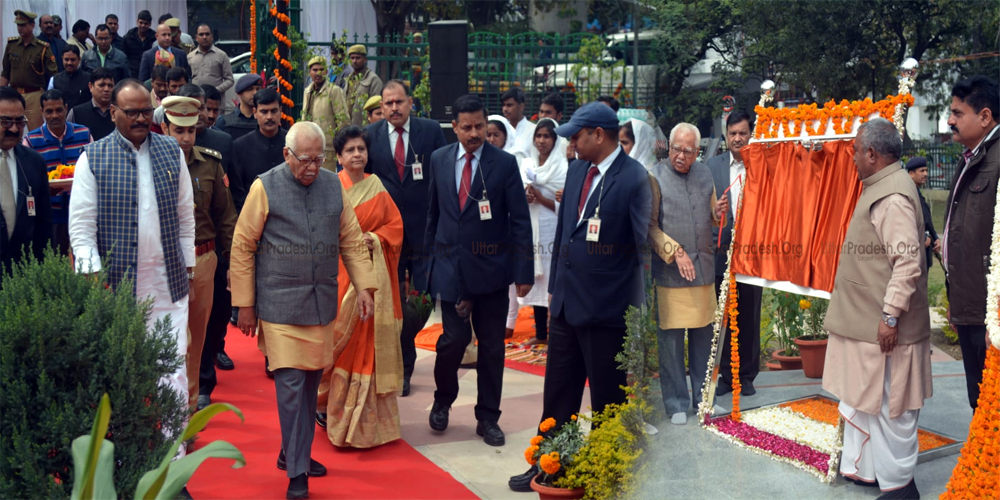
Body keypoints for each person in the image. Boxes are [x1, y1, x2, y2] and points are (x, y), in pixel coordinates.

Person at [508, 102, 651, 492]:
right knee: (558, 391)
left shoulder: (634, 178)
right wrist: (554, 290)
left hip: (607, 310)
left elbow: (642, 253)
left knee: (607, 399)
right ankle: (548, 464)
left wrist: (636, 315)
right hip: (568, 304)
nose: (570, 141)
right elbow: (565, 237)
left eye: (577, 134)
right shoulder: (576, 171)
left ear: (599, 135)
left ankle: (609, 472)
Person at [231, 121, 377, 500]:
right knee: (292, 388)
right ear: (286, 155)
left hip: (320, 303)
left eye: (318, 159)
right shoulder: (265, 186)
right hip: (279, 305)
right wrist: (244, 304)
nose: (312, 167)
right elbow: (243, 245)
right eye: (304, 160)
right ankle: (297, 473)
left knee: (311, 384)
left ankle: (292, 451)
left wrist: (365, 287)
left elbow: (351, 239)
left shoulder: (333, 186)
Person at [68, 80, 196, 477]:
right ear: (114, 113)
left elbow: (186, 216)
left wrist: (188, 264)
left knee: (173, 372)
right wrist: (91, 281)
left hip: (168, 284)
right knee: (120, 372)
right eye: (132, 112)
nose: (141, 118)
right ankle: (123, 466)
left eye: (146, 111)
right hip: (116, 288)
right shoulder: (93, 157)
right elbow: (82, 229)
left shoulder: (171, 151)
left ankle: (172, 468)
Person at [823, 118, 931, 499]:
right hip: (869, 323)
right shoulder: (883, 186)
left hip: (886, 329)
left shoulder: (893, 196)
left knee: (891, 408)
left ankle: (900, 489)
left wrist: (889, 316)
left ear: (871, 154)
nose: (851, 158)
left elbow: (907, 263)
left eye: (854, 151)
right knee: (874, 402)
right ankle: (874, 474)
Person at [423, 94, 533, 446]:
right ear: (453, 127)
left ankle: (488, 417)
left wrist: (524, 272)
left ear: (487, 125)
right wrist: (426, 267)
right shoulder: (439, 159)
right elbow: (433, 215)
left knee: (491, 349)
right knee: (453, 341)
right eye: (467, 127)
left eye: (480, 126)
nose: (474, 134)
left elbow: (519, 220)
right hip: (450, 269)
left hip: (492, 270)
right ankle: (443, 399)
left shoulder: (503, 164)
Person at [316, 125, 404, 447]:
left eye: (361, 149)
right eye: (350, 150)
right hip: (338, 276)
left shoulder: (377, 186)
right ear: (338, 157)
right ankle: (328, 406)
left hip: (371, 275)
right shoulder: (330, 186)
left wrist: (376, 239)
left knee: (366, 342)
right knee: (338, 340)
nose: (357, 155)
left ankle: (363, 423)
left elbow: (395, 227)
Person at [365, 79, 446, 396]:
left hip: (425, 232)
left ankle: (407, 340)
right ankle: (402, 366)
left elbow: (443, 175)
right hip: (387, 235)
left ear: (410, 102)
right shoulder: (370, 137)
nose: (394, 108)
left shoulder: (430, 131)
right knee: (392, 301)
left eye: (399, 102)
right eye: (388, 103)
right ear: (381, 107)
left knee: (423, 298)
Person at [160, 95, 237, 412]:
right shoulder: (152, 163)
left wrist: (234, 264)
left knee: (198, 335)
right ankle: (163, 405)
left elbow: (226, 217)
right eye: (179, 130)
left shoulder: (211, 164)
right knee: (166, 336)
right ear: (165, 128)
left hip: (203, 259)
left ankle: (188, 408)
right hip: (164, 262)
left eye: (191, 130)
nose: (186, 138)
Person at [651, 123, 727, 425]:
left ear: (697, 152)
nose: (680, 156)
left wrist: (717, 213)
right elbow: (650, 227)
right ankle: (676, 402)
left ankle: (704, 400)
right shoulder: (654, 177)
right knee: (670, 343)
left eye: (687, 151)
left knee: (704, 338)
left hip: (703, 269)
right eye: (676, 149)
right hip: (671, 272)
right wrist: (675, 252)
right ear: (668, 147)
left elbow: (710, 213)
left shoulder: (705, 173)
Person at [942, 75, 999, 412]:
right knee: (978, 396)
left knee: (989, 400)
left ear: (985, 116)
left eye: (957, 113)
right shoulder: (971, 157)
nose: (950, 120)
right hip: (969, 300)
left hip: (989, 308)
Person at [707, 110, 763, 397]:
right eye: (733, 134)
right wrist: (713, 211)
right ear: (726, 136)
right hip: (720, 253)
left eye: (743, 133)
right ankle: (725, 376)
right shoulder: (712, 165)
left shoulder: (761, 165)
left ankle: (748, 375)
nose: (738, 138)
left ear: (750, 134)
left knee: (750, 315)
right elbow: (704, 203)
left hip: (752, 254)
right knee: (722, 317)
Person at [22, 89, 92, 254]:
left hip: (82, 213)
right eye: (49, 111)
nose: (55, 115)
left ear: (66, 109)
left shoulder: (83, 134)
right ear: (41, 112)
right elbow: (27, 180)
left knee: (85, 264)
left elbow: (94, 168)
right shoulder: (31, 141)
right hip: (51, 216)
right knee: (55, 263)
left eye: (59, 110)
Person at [518, 118, 568, 346]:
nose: (541, 140)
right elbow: (519, 194)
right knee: (537, 281)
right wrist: (527, 197)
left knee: (553, 280)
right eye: (538, 136)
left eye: (546, 136)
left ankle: (557, 334)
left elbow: (565, 205)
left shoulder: (562, 166)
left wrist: (540, 198)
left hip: (552, 228)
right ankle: (540, 334)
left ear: (555, 140)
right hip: (533, 226)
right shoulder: (528, 164)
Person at [0, 87, 53, 282]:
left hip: (24, 275)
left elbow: (44, 225)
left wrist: (46, 269)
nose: (14, 129)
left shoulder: (34, 162)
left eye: (19, 121)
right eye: (5, 121)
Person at [230, 88, 288, 211]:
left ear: (281, 112)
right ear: (255, 112)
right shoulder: (240, 147)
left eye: (274, 111)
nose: (269, 117)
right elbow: (238, 192)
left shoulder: (292, 143)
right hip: (253, 214)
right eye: (264, 112)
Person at [2, 10, 59, 131]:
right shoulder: (12, 45)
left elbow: (54, 74)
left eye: (23, 25)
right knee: (8, 129)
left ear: (32, 26)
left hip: (34, 95)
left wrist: (50, 95)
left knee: (36, 131)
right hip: (14, 93)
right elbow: (5, 72)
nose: (20, 28)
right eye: (18, 25)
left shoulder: (42, 47)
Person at [302, 56, 349, 171]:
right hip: (309, 146)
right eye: (315, 70)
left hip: (328, 149)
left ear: (327, 72)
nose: (318, 73)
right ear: (309, 72)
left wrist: (340, 147)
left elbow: (343, 121)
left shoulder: (334, 91)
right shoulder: (307, 91)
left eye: (321, 69)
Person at [905, 157, 940, 266]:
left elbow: (926, 219)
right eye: (922, 171)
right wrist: (923, 237)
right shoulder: (908, 195)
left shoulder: (918, 193)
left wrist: (935, 237)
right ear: (911, 173)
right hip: (915, 252)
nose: (925, 174)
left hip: (925, 250)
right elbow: (907, 222)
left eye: (926, 170)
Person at [67, 68, 115, 141]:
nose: (106, 89)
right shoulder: (76, 113)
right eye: (102, 85)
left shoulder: (119, 112)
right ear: (90, 86)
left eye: (110, 86)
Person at [344, 45, 384, 127]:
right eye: (352, 58)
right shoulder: (349, 79)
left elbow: (377, 108)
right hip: (349, 127)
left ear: (365, 59)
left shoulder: (373, 79)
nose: (354, 61)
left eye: (358, 58)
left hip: (365, 127)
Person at [189, 24, 233, 96]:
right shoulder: (190, 57)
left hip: (216, 101)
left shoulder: (221, 55)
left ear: (211, 37)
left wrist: (215, 91)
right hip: (196, 100)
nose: (204, 37)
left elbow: (230, 80)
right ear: (196, 38)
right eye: (201, 34)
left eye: (207, 34)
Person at [217, 74, 262, 142]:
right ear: (239, 93)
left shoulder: (263, 120)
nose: (255, 93)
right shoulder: (224, 121)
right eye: (250, 89)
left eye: (257, 89)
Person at [50, 46, 92, 110]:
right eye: (66, 59)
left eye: (73, 60)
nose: (69, 63)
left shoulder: (89, 79)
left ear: (79, 59)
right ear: (62, 59)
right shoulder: (54, 80)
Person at [500, 87, 534, 160]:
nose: (505, 109)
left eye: (509, 105)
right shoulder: (501, 129)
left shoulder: (533, 130)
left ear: (521, 106)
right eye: (503, 105)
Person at [122, 10, 155, 79]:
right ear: (137, 21)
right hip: (131, 73)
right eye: (141, 23)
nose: (143, 25)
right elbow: (123, 56)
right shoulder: (128, 37)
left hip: (149, 73)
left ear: (150, 24)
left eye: (146, 23)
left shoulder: (154, 38)